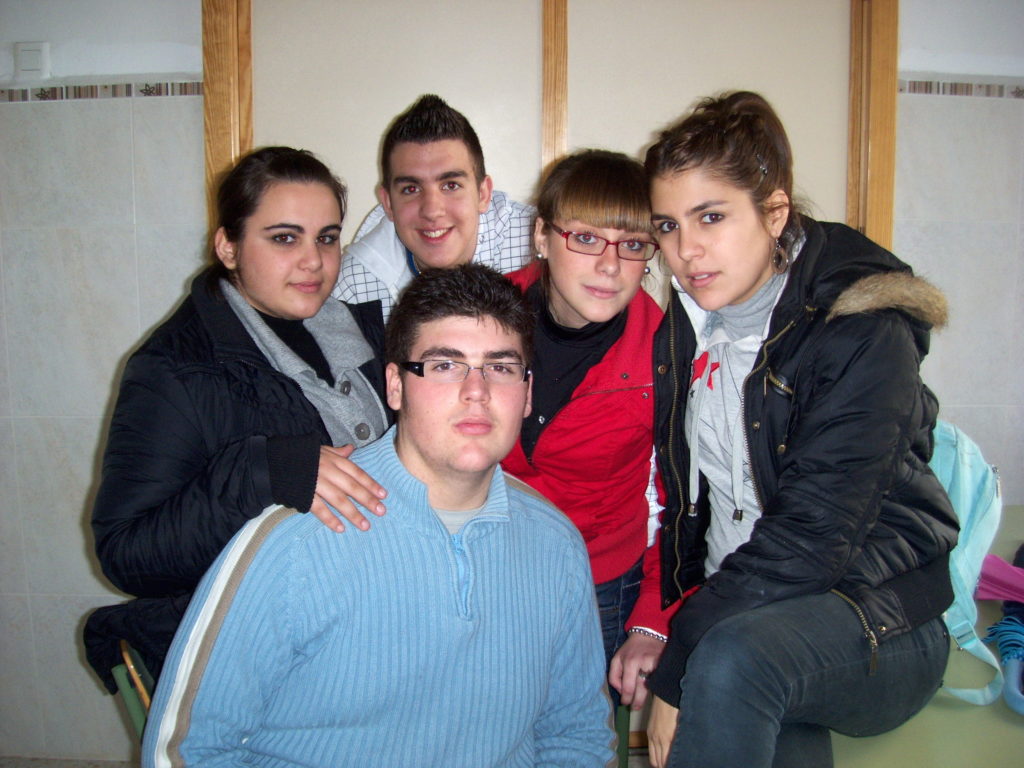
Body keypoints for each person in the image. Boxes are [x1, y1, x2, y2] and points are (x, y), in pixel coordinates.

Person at [142, 264, 614, 768]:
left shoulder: (555, 544)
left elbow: (577, 736)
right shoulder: (293, 542)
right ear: (394, 386)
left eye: (500, 367)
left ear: (527, 392)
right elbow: (185, 752)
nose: (476, 391)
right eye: (444, 365)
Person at [642, 92, 959, 768]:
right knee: (748, 678)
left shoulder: (862, 329)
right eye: (667, 225)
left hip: (877, 616)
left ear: (775, 212)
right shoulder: (691, 319)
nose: (685, 250)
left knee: (734, 660)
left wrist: (680, 659)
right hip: (752, 612)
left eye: (711, 216)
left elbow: (812, 541)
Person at [86, 147, 391, 688]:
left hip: (361, 622)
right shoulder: (175, 368)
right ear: (228, 246)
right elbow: (125, 554)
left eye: (326, 237)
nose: (314, 261)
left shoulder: (362, 331)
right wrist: (263, 472)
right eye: (284, 238)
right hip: (258, 657)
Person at [501, 150, 675, 711]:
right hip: (486, 566)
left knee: (579, 735)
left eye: (632, 245)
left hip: (597, 583)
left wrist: (652, 620)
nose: (610, 265)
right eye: (585, 238)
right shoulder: (483, 317)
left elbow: (681, 502)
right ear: (542, 237)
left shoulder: (665, 355)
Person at [332, 94, 534, 320]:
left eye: (451, 185)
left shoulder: (538, 247)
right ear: (388, 203)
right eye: (411, 189)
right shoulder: (354, 286)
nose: (432, 211)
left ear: (483, 194)